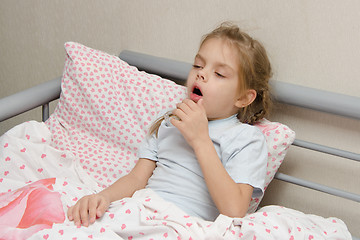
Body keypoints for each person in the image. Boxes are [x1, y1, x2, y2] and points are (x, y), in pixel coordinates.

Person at [67, 22, 272, 227]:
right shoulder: (170, 121)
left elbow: (234, 210)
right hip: (143, 211)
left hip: (186, 226)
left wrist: (201, 140)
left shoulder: (246, 139)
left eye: (219, 74)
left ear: (243, 98)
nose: (201, 74)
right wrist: (103, 197)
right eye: (198, 65)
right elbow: (137, 179)